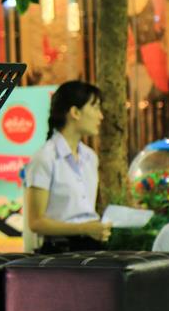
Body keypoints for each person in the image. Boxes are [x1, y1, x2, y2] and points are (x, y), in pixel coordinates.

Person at [24, 81, 112, 253]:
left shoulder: (90, 157)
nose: (101, 116)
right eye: (95, 108)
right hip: (59, 253)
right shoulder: (45, 158)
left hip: (92, 247)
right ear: (75, 112)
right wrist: (84, 228)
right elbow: (35, 222)